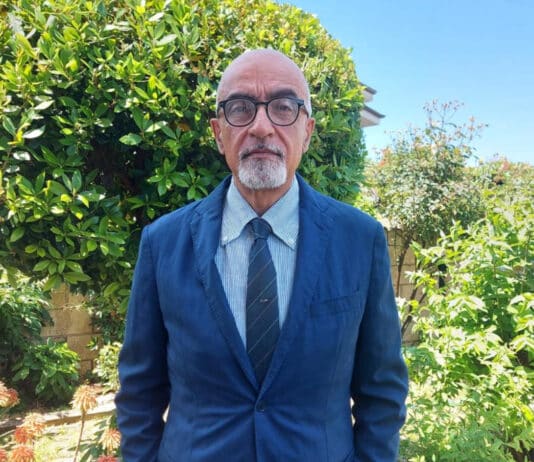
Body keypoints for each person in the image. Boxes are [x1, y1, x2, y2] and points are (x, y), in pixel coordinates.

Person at [116, 48, 408, 462]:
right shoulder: (163, 243)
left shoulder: (360, 240)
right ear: (218, 133)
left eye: (284, 107)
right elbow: (139, 394)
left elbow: (382, 392)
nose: (261, 127)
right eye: (240, 108)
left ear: (307, 131)